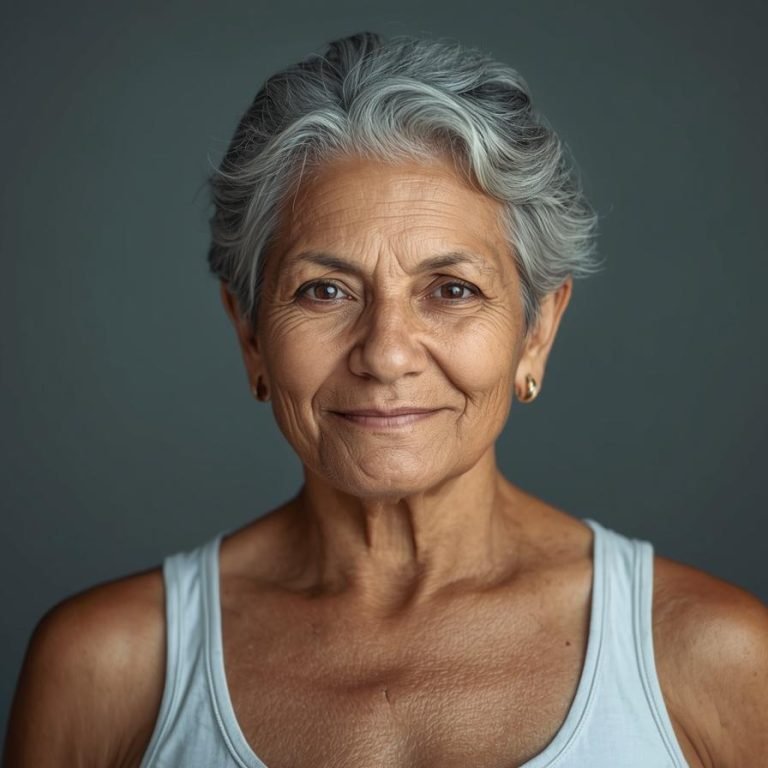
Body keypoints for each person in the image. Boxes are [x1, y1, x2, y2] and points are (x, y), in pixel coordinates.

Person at [4, 31, 768, 768]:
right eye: (325, 290)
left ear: (536, 333)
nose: (386, 352)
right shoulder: (106, 668)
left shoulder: (711, 656)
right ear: (250, 337)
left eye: (451, 289)